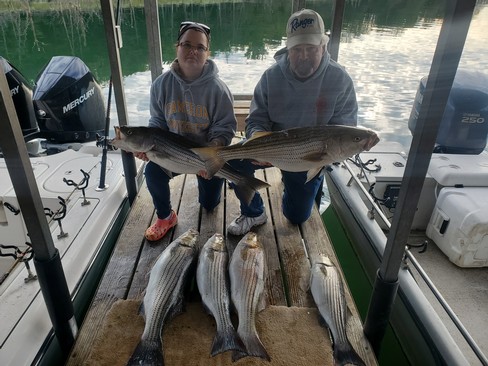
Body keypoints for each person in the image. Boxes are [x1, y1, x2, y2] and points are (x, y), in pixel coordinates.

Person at [227, 9, 358, 236]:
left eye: (311, 48)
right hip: (272, 145)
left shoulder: (341, 80)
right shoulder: (270, 77)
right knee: (230, 163)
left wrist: (324, 161)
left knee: (297, 217)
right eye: (297, 49)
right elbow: (256, 119)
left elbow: (344, 128)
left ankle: (293, 184)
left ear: (323, 47)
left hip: (310, 157)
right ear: (288, 48)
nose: (304, 55)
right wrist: (260, 142)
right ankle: (253, 211)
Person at [135, 21, 237, 241]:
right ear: (177, 47)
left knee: (209, 204)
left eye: (200, 47)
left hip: (206, 154)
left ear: (207, 53)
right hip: (172, 151)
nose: (193, 51)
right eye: (186, 44)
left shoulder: (218, 90)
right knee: (151, 171)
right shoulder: (160, 85)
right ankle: (165, 217)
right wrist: (147, 148)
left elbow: (225, 128)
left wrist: (209, 157)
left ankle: (212, 193)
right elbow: (157, 122)